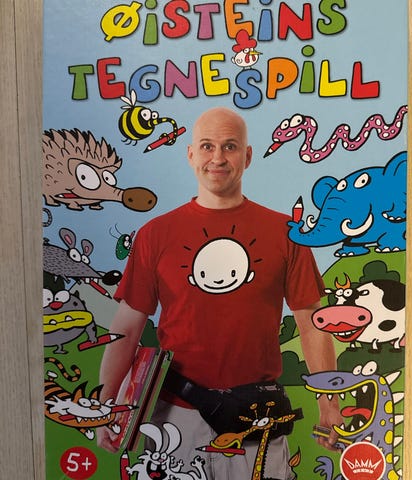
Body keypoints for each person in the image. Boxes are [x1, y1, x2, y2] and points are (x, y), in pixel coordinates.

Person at [97, 107, 343, 478]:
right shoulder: (155, 235)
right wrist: (105, 404)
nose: (218, 157)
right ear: (190, 154)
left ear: (247, 156)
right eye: (207, 146)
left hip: (256, 418)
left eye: (230, 146)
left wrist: (329, 402)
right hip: (174, 418)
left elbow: (312, 325)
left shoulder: (287, 233)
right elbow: (127, 327)